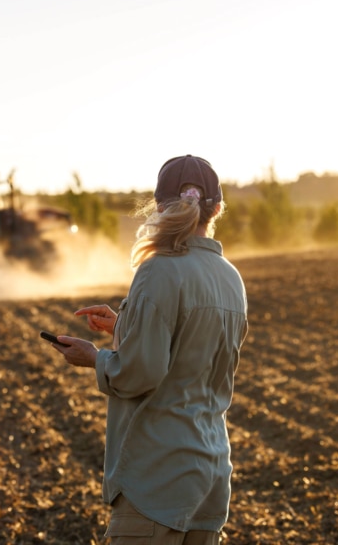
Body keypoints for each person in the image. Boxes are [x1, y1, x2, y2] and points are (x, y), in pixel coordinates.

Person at [47, 155, 248, 545]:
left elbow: (142, 372)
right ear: (218, 209)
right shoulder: (231, 278)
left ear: (158, 206)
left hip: (158, 479)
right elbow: (192, 347)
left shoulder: (158, 269)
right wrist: (126, 325)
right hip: (211, 477)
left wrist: (94, 358)